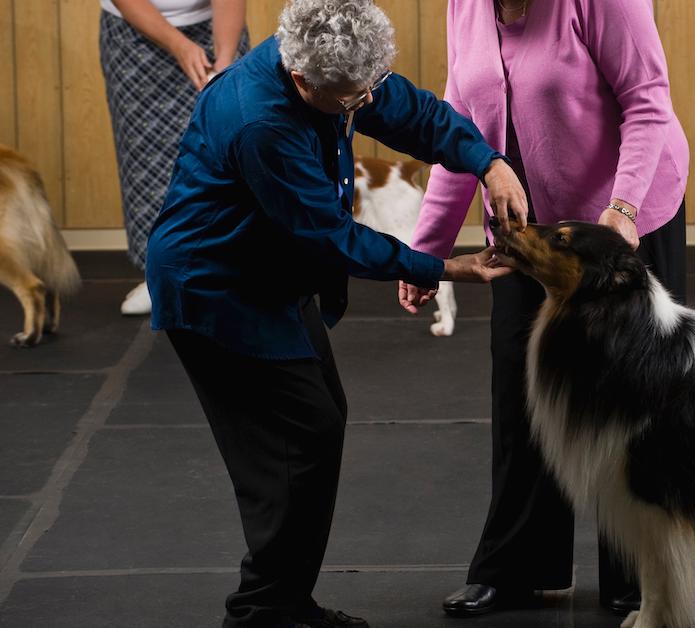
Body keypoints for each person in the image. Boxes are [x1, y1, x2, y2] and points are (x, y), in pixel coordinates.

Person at [145, 1, 528, 626]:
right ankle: (263, 612)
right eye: (352, 101)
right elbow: (327, 237)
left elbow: (416, 114)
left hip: (272, 274)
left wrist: (488, 161)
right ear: (303, 81)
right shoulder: (259, 122)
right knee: (290, 450)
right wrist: (442, 266)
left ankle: (284, 604)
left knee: (317, 428)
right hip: (218, 291)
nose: (363, 106)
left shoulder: (340, 68)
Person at [398, 0, 689, 617]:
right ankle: (516, 565)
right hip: (529, 228)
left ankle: (642, 571)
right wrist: (425, 249)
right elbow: (461, 126)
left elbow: (648, 99)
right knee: (521, 388)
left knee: (635, 397)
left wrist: (624, 211)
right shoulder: (466, 6)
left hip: (625, 213)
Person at [100, 0, 249, 315]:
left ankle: (228, 273)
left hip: (214, 30)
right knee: (147, 164)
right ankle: (161, 277)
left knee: (229, 156)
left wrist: (223, 63)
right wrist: (179, 46)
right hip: (135, 38)